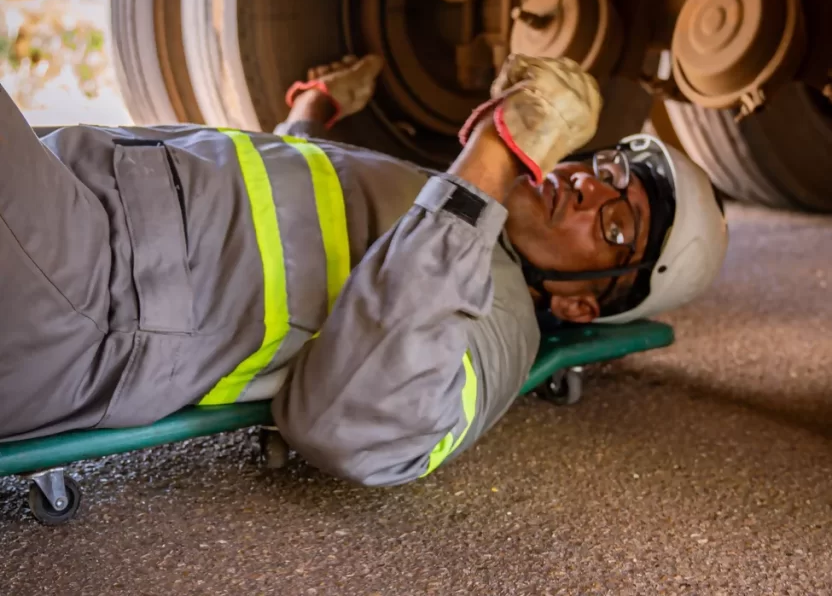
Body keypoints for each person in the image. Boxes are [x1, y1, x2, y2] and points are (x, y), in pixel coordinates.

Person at [0, 53, 727, 485]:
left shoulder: (500, 313)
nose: (585, 187)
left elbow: (360, 428)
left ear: (580, 308)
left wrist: (495, 155)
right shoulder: (458, 215)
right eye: (605, 169)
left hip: (89, 292)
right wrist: (313, 115)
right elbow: (280, 224)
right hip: (84, 197)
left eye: (612, 223)